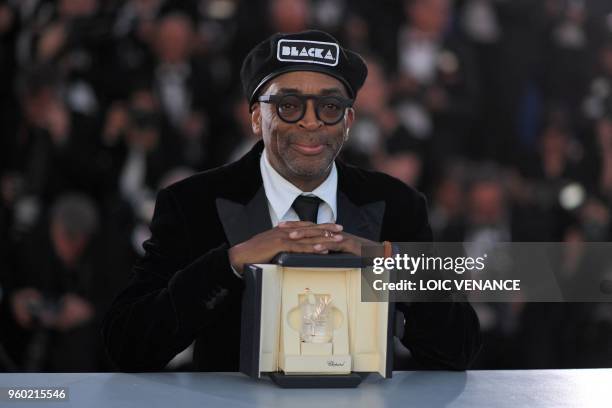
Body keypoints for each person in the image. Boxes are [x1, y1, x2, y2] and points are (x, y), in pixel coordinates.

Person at [102, 30, 481, 372]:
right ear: (256, 117)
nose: (311, 122)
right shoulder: (192, 203)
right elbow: (127, 345)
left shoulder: (398, 203)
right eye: (289, 105)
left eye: (329, 107)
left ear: (348, 121)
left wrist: (384, 264)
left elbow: (459, 349)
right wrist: (231, 261)